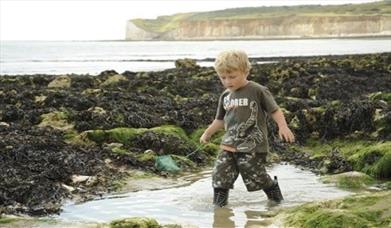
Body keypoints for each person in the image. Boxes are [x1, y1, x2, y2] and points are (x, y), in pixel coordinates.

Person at [200, 50, 295, 207]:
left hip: (252, 145)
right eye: (223, 77)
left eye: (232, 77)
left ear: (245, 71)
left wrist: (283, 126)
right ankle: (219, 206)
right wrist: (207, 133)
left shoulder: (257, 90)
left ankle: (274, 194)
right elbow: (220, 120)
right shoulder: (225, 96)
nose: (227, 81)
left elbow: (275, 110)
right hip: (229, 144)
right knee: (220, 174)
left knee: (256, 176)